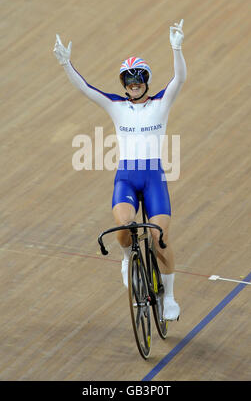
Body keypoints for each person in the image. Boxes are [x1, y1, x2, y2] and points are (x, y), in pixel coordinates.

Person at [53, 20, 186, 320]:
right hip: (126, 178)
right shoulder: (116, 106)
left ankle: (170, 298)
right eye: (128, 80)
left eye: (138, 79)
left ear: (146, 81)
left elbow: (179, 79)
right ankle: (128, 258)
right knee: (124, 229)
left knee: (160, 239)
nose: (133, 84)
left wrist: (176, 47)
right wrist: (66, 64)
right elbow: (86, 89)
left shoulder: (161, 104)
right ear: (124, 85)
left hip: (154, 178)